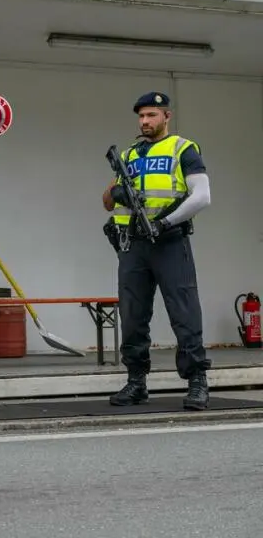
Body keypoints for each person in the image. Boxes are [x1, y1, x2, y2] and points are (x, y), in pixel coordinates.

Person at [102, 91, 212, 410]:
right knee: (133, 315)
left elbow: (202, 196)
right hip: (133, 245)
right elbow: (106, 201)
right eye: (141, 116)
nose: (145, 121)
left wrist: (165, 223)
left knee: (184, 312)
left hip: (169, 241)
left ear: (167, 116)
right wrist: (117, 188)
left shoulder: (183, 148)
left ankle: (196, 382)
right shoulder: (130, 154)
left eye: (152, 115)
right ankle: (136, 382)